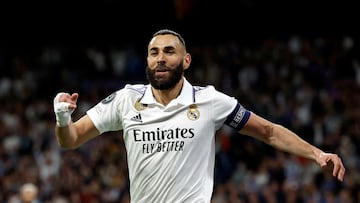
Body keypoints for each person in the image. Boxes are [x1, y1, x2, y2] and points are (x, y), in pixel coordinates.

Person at [53, 29, 345, 202]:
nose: (161, 58)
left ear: (186, 60)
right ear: (147, 60)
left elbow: (268, 131)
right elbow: (72, 139)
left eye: (169, 51)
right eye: (154, 52)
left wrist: (317, 154)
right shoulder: (125, 100)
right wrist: (63, 118)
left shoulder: (210, 101)